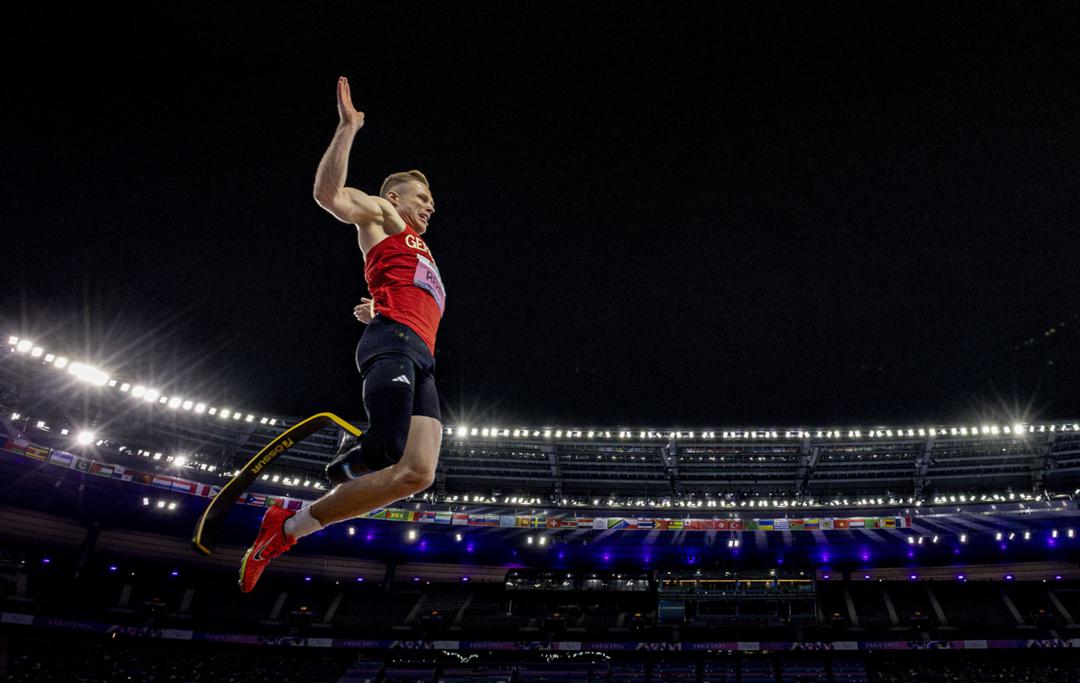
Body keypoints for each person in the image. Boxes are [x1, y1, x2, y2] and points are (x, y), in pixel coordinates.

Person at [238, 76, 446, 592]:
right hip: (393, 343)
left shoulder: (418, 248)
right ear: (393, 196)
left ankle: (286, 528)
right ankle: (341, 471)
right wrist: (347, 129)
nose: (430, 206)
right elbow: (328, 195)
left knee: (417, 473)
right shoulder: (384, 214)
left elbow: (402, 286)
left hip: (421, 355)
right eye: (422, 196)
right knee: (383, 450)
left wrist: (375, 302)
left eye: (431, 200)